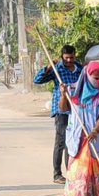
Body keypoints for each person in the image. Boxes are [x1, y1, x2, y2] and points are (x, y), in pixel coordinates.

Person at [55, 61, 99, 196]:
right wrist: (62, 95)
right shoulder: (73, 90)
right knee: (76, 174)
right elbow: (63, 108)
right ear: (87, 75)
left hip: (95, 140)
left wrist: (95, 131)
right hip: (78, 139)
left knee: (94, 176)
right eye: (96, 77)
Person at [34, 44, 83, 184]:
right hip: (61, 109)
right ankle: (57, 174)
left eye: (71, 57)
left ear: (74, 55)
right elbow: (37, 80)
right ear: (62, 56)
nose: (69, 60)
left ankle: (71, 172)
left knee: (72, 142)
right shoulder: (57, 69)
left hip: (76, 109)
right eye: (66, 58)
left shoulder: (79, 69)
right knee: (60, 141)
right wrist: (49, 67)